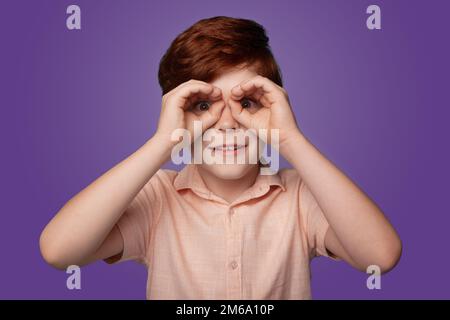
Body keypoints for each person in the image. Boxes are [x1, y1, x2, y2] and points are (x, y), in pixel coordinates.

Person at [40, 16, 402, 299]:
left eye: (246, 103)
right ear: (176, 112)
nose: (228, 122)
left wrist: (289, 138)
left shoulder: (301, 196)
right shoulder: (158, 196)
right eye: (202, 105)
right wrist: (163, 143)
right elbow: (60, 252)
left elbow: (380, 258)